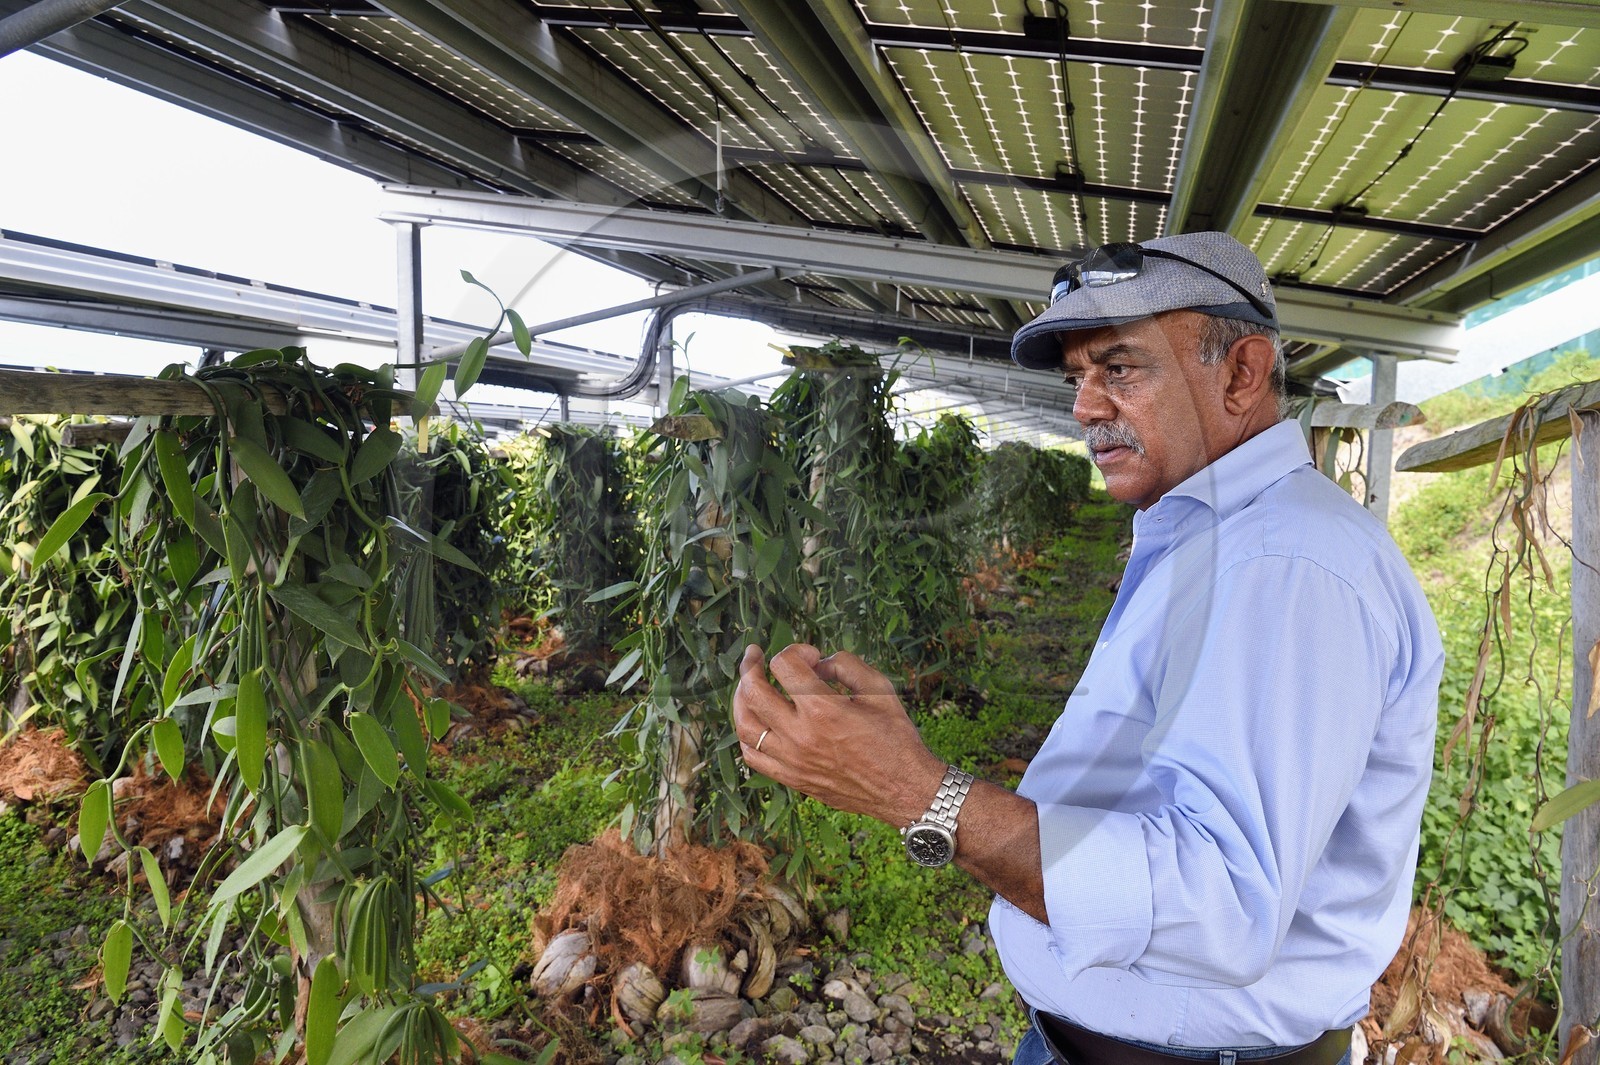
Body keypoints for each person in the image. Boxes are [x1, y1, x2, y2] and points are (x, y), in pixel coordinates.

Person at [731, 231, 1442, 1065]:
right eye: (1078, 378)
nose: (1084, 406)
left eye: (1121, 369)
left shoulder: (1287, 564)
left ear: (1242, 373)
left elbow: (1223, 903)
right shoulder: (1207, 540)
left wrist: (915, 789)